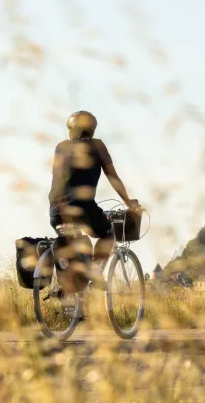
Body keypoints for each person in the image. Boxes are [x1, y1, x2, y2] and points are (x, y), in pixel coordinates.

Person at [48, 110, 141, 286]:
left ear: (71, 130)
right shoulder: (97, 146)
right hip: (82, 208)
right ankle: (95, 272)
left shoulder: (61, 146)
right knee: (108, 233)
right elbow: (113, 177)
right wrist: (128, 202)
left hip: (55, 210)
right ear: (92, 130)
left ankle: (74, 294)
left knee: (74, 243)